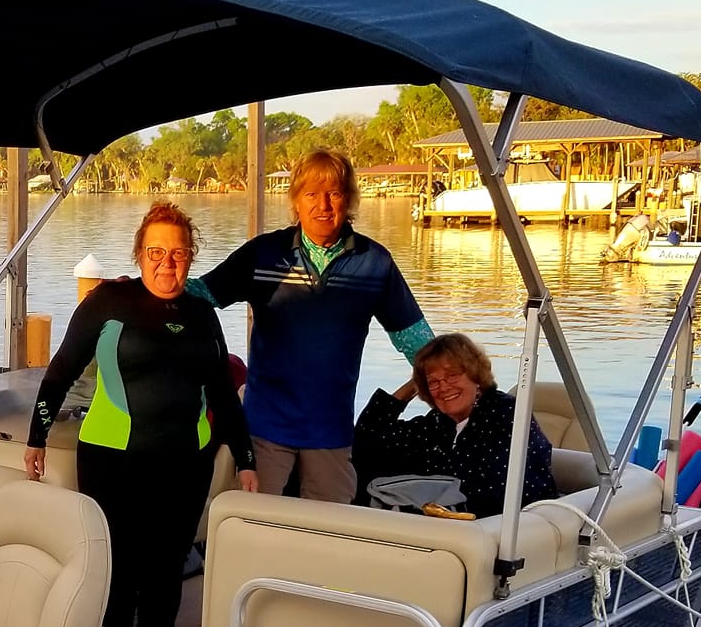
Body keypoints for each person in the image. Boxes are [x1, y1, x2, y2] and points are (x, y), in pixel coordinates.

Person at [26, 201, 259, 627]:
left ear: (190, 257)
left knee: (169, 566)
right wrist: (37, 437)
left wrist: (245, 460)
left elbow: (223, 393)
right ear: (140, 254)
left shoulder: (203, 315)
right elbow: (61, 371)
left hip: (186, 459)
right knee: (122, 573)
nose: (167, 264)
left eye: (178, 254)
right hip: (114, 459)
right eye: (156, 252)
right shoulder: (110, 301)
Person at [187, 147, 432, 502]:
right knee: (254, 529)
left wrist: (459, 388)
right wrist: (132, 290)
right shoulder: (263, 254)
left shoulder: (375, 262)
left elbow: (416, 340)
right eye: (312, 194)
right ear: (296, 202)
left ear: (348, 201)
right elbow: (202, 294)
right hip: (264, 426)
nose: (324, 205)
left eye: (334, 194)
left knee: (330, 538)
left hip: (330, 430)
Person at [351, 333, 555, 518]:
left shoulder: (505, 413)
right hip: (452, 526)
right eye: (434, 382)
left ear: (476, 376)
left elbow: (484, 486)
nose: (444, 387)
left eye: (452, 375)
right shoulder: (441, 421)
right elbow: (368, 437)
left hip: (510, 528)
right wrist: (415, 384)